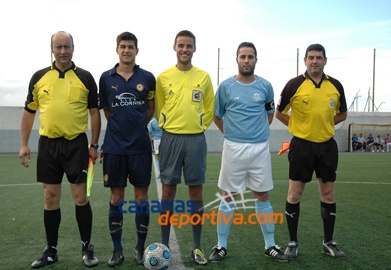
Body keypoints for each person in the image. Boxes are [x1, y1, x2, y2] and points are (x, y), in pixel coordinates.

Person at [19, 31, 101, 268]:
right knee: (50, 197)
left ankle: (87, 247)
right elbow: (29, 112)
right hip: (48, 146)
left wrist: (93, 145)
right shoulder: (39, 77)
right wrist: (24, 144)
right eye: (59, 47)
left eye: (67, 47)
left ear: (73, 48)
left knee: (80, 197)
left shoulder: (85, 77)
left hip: (76, 144)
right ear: (52, 49)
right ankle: (51, 250)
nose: (63, 51)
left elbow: (94, 113)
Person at [208, 42, 288, 263]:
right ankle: (221, 246)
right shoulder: (225, 87)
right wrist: (233, 134)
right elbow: (217, 116)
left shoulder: (265, 86)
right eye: (242, 56)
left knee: (262, 195)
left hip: (259, 149)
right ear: (236, 60)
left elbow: (269, 115)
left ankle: (270, 245)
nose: (246, 60)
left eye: (250, 57)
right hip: (233, 148)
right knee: (228, 196)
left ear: (255, 60)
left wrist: (255, 133)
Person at [275, 44, 347, 259]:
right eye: (311, 58)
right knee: (294, 194)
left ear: (325, 60)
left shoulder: (335, 85)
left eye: (319, 57)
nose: (315, 61)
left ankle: (328, 242)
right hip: (301, 147)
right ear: (305, 61)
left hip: (326, 146)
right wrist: (298, 126)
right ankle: (292, 242)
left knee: (328, 194)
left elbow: (342, 114)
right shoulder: (293, 85)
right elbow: (279, 113)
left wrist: (324, 123)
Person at [155, 30, 215, 265]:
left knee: (196, 194)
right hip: (170, 139)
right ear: (174, 47)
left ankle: (197, 247)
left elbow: (209, 107)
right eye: (181, 45)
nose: (184, 49)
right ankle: (163, 247)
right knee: (168, 193)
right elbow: (160, 104)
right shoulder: (163, 77)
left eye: (189, 46)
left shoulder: (204, 77)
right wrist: (167, 126)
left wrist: (200, 124)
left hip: (196, 140)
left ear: (194, 48)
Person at [99, 31, 155, 267]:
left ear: (137, 50)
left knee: (141, 198)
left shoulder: (148, 77)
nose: (126, 50)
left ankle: (140, 250)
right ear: (117, 49)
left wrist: (135, 128)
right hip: (114, 148)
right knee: (117, 197)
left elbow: (150, 109)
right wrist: (121, 130)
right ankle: (117, 250)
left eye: (130, 46)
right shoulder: (105, 78)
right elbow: (107, 112)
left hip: (140, 147)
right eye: (122, 46)